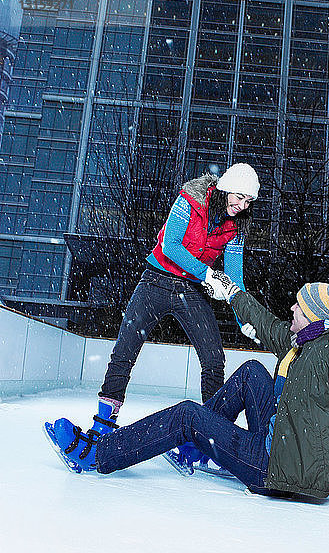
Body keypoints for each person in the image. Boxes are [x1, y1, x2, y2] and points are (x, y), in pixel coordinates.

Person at [48, 273, 329, 516]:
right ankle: (192, 448)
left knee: (187, 414)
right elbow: (268, 325)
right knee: (251, 372)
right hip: (286, 444)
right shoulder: (309, 342)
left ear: (313, 318)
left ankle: (97, 455)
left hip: (284, 471)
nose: (291, 309)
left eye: (298, 307)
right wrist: (232, 293)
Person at [45, 163, 260, 468]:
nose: (241, 206)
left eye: (248, 201)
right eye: (238, 197)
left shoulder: (238, 226)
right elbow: (170, 246)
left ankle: (206, 441)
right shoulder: (190, 199)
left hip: (192, 292)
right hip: (156, 281)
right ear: (225, 188)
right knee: (124, 351)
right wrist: (208, 274)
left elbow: (235, 276)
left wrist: (244, 319)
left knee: (214, 360)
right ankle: (103, 426)